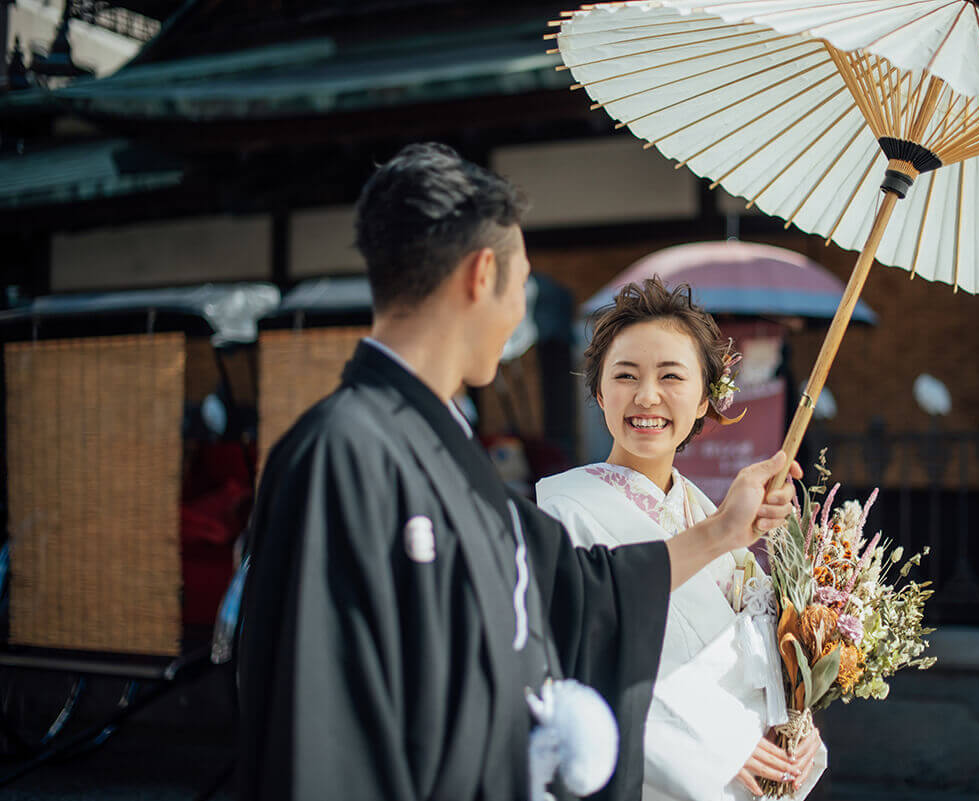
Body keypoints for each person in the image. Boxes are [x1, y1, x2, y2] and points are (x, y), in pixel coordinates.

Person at [235, 143, 804, 801]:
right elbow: (317, 732)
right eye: (523, 283)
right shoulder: (341, 453)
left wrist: (723, 531)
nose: (518, 315)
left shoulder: (444, 451)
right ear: (482, 275)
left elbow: (578, 593)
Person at [536, 279, 827, 801]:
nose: (646, 396)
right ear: (600, 392)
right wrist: (718, 741)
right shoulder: (562, 510)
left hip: (748, 772)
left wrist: (797, 719)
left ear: (704, 400)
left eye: (671, 376)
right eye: (625, 375)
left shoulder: (704, 510)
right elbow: (580, 668)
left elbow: (763, 651)